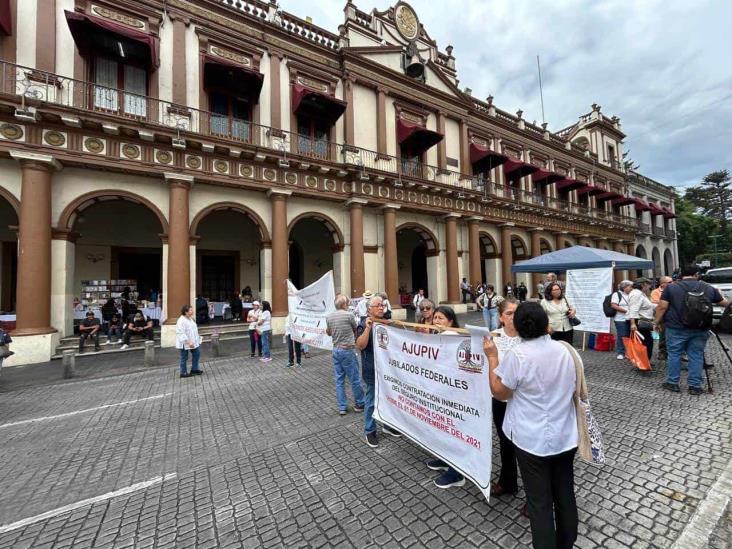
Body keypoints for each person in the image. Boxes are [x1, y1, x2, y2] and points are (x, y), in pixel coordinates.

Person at [487, 301, 579, 549]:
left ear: (517, 326)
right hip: (565, 435)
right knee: (564, 495)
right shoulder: (564, 350)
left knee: (539, 503)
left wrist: (493, 357)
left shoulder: (518, 355)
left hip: (532, 439)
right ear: (547, 324)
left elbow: (499, 392)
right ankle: (566, 543)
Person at [655, 264, 729, 395]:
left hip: (676, 327)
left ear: (681, 274)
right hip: (700, 327)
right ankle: (695, 386)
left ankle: (673, 383)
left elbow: (662, 307)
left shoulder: (671, 288)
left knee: (674, 354)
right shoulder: (708, 287)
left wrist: (656, 322)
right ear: (697, 274)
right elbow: (724, 303)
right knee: (696, 355)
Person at [488, 298, 524, 512]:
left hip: (523, 400)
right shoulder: (493, 336)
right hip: (500, 398)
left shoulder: (528, 335)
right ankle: (508, 481)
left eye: (516, 313)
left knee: (526, 447)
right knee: (504, 441)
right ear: (501, 317)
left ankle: (535, 496)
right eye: (509, 313)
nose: (513, 317)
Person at [426, 306, 467, 489]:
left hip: (453, 394)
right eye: (435, 317)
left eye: (441, 318)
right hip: (440, 391)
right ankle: (445, 459)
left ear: (450, 321)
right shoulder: (438, 335)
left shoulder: (452, 337)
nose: (436, 321)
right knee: (442, 429)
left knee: (452, 431)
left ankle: (457, 473)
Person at [356, 295, 401, 448]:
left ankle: (387, 425)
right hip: (372, 369)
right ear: (369, 309)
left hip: (387, 369)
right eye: (378, 306)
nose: (382, 308)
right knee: (371, 401)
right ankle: (369, 430)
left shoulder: (386, 322)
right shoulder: (363, 323)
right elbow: (360, 345)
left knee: (388, 397)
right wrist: (368, 327)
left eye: (382, 305)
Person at [326, 294, 365, 415]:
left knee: (339, 380)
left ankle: (342, 407)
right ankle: (360, 403)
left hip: (336, 349)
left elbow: (328, 332)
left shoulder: (329, 316)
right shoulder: (349, 315)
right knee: (354, 379)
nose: (348, 305)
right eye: (347, 303)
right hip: (347, 350)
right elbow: (355, 329)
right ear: (343, 305)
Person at [627, 278, 655, 364]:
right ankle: (643, 362)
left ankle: (644, 361)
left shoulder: (640, 294)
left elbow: (648, 306)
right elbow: (633, 310)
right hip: (639, 322)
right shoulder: (636, 294)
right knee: (645, 343)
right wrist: (632, 324)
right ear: (643, 285)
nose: (649, 287)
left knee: (646, 342)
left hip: (642, 321)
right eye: (648, 285)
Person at [176, 304, 202, 378]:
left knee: (197, 353)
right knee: (184, 357)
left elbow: (194, 330)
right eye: (190, 310)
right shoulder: (181, 320)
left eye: (192, 309)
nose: (192, 311)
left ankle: (194, 369)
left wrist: (198, 338)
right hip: (185, 342)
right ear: (186, 312)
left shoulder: (190, 319)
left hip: (193, 342)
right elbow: (180, 332)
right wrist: (188, 341)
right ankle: (183, 372)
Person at [650, 276, 672, 361]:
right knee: (663, 334)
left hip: (672, 315)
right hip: (662, 316)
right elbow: (656, 303)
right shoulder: (655, 292)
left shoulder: (674, 290)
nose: (672, 283)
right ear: (662, 284)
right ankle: (662, 352)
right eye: (669, 282)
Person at [610, 280, 633, 360]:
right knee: (622, 335)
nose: (631, 288)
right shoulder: (617, 294)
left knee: (630, 335)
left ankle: (629, 352)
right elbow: (614, 306)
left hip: (630, 318)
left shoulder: (631, 294)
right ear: (624, 287)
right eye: (630, 286)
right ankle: (621, 352)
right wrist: (626, 311)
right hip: (620, 319)